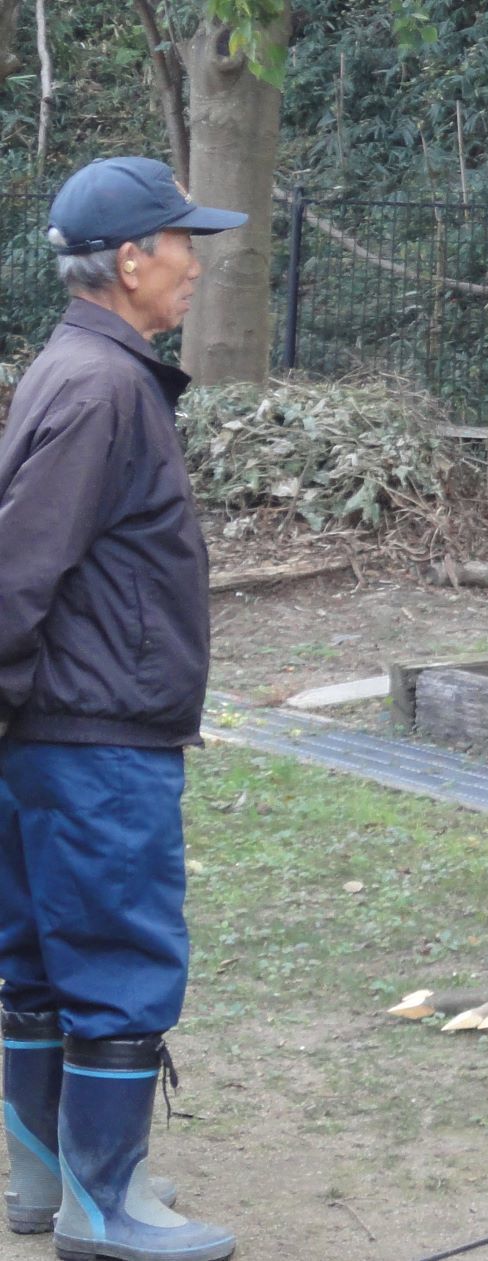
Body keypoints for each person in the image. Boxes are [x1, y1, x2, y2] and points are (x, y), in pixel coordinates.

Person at [0, 157, 246, 1260]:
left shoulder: (79, 370)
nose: (197, 260)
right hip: (94, 737)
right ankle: (108, 1207)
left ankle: (47, 1183)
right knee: (118, 960)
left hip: (58, 729)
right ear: (132, 259)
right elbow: (17, 571)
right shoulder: (101, 387)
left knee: (40, 961)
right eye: (182, 240)